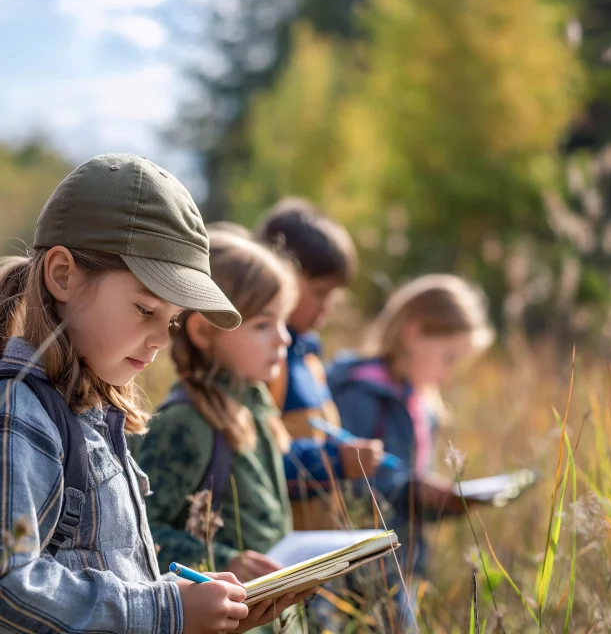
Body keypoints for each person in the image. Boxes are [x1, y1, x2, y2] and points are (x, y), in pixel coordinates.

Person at [0, 154, 306, 634]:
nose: (162, 339)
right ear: (63, 275)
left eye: (172, 319)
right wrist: (166, 612)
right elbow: (8, 585)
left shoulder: (93, 415)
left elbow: (102, 572)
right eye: (145, 309)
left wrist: (195, 605)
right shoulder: (20, 414)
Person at [138, 229, 350, 632]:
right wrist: (222, 559)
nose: (284, 338)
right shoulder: (185, 423)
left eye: (283, 321)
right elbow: (138, 534)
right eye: (262, 325)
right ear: (204, 332)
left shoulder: (255, 409)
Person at [327, 274, 495, 621]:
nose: (448, 375)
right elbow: (348, 481)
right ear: (413, 333)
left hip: (405, 561)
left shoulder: (421, 402)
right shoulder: (360, 394)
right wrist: (412, 490)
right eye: (447, 358)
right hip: (361, 566)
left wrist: (443, 502)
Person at [256, 197, 384, 531]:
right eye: (319, 291)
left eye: (335, 296)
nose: (327, 307)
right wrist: (334, 461)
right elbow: (255, 462)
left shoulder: (311, 360)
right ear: (278, 275)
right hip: (281, 554)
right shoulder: (265, 362)